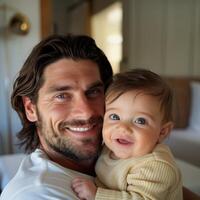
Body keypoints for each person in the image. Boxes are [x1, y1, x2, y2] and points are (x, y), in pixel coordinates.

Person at [0, 34, 113, 200]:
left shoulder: (119, 163)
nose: (86, 112)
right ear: (31, 109)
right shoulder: (36, 194)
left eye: (94, 91)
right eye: (62, 96)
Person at [71, 69, 183, 200]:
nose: (123, 127)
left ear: (162, 132)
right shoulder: (109, 147)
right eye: (114, 116)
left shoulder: (156, 166)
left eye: (140, 120)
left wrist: (96, 195)